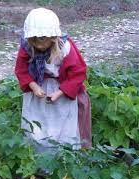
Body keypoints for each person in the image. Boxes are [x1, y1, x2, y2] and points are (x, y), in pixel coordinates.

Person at [14, 8, 91, 150]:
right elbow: (21, 69)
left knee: (64, 127)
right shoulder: (27, 47)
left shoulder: (65, 48)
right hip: (38, 89)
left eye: (42, 39)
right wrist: (33, 86)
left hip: (62, 89)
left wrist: (60, 92)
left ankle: (64, 156)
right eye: (34, 40)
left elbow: (78, 72)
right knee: (38, 124)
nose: (38, 44)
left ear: (53, 37)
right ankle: (37, 156)